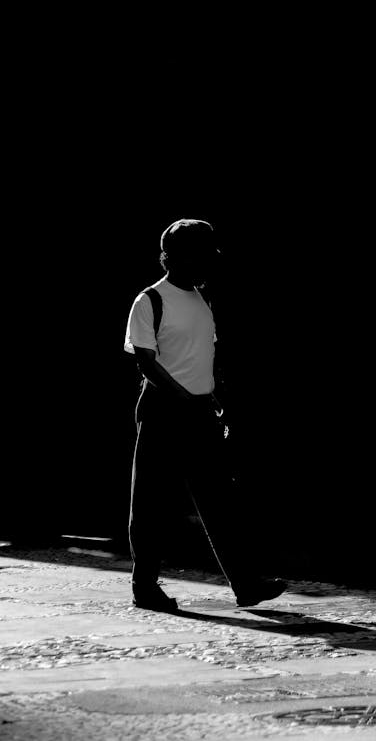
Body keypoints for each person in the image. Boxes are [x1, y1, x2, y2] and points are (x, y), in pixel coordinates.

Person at [124, 218, 286, 612]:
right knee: (151, 505)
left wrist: (212, 398)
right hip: (164, 410)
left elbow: (203, 356)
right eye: (200, 254)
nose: (208, 262)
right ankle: (144, 588)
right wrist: (185, 399)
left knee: (221, 501)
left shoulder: (202, 299)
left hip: (199, 410)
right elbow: (146, 361)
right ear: (175, 257)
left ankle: (246, 584)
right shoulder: (150, 300)